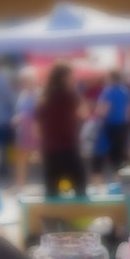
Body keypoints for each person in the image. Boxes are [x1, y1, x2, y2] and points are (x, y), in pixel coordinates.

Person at [36, 62, 88, 197]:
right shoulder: (70, 96)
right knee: (80, 187)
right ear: (64, 78)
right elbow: (84, 114)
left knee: (51, 191)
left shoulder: (44, 98)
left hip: (50, 149)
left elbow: (37, 129)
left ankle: (53, 211)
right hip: (69, 146)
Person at [89, 69, 130, 187]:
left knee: (98, 159)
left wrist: (95, 112)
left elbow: (103, 110)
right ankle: (120, 186)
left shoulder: (108, 91)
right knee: (118, 159)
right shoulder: (125, 91)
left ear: (110, 78)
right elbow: (128, 110)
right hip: (122, 126)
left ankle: (98, 187)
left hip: (108, 127)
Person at [12, 65, 38, 187]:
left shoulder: (37, 94)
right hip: (23, 131)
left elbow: (38, 112)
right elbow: (22, 111)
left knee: (41, 157)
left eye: (26, 80)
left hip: (35, 130)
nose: (24, 83)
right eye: (23, 81)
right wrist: (18, 118)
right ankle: (20, 184)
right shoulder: (22, 95)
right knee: (21, 158)